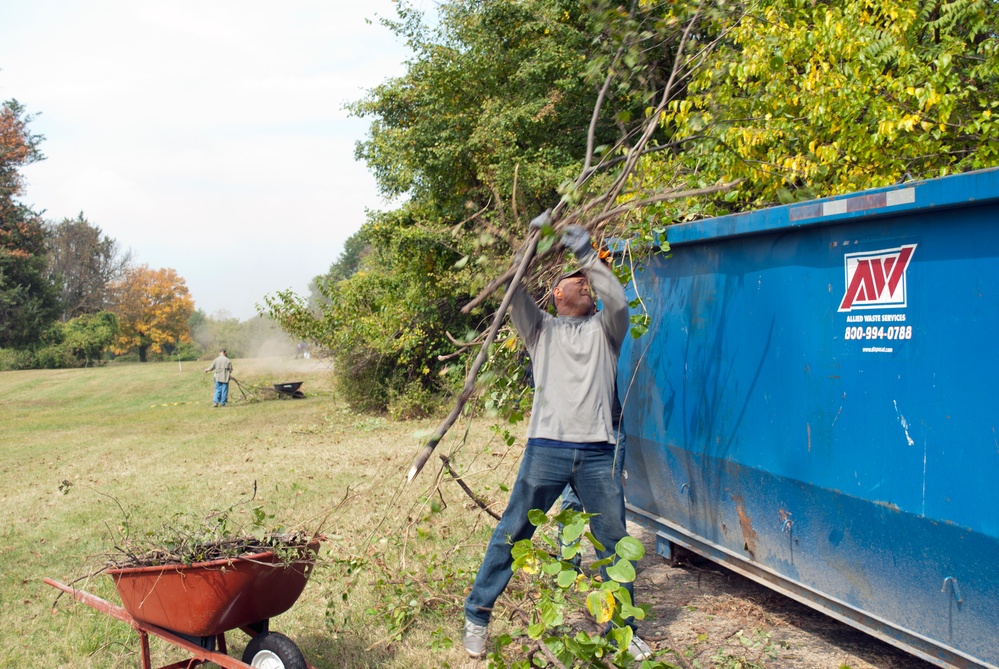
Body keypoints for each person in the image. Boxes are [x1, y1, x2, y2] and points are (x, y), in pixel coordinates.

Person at [462, 215, 650, 661]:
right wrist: (530, 242)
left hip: (598, 454)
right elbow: (511, 290)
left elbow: (619, 301)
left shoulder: (607, 331)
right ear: (555, 293)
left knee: (613, 542)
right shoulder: (540, 329)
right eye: (576, 280)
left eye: (589, 281)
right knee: (513, 531)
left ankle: (623, 629)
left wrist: (586, 252)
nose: (586, 285)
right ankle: (477, 614)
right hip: (546, 447)